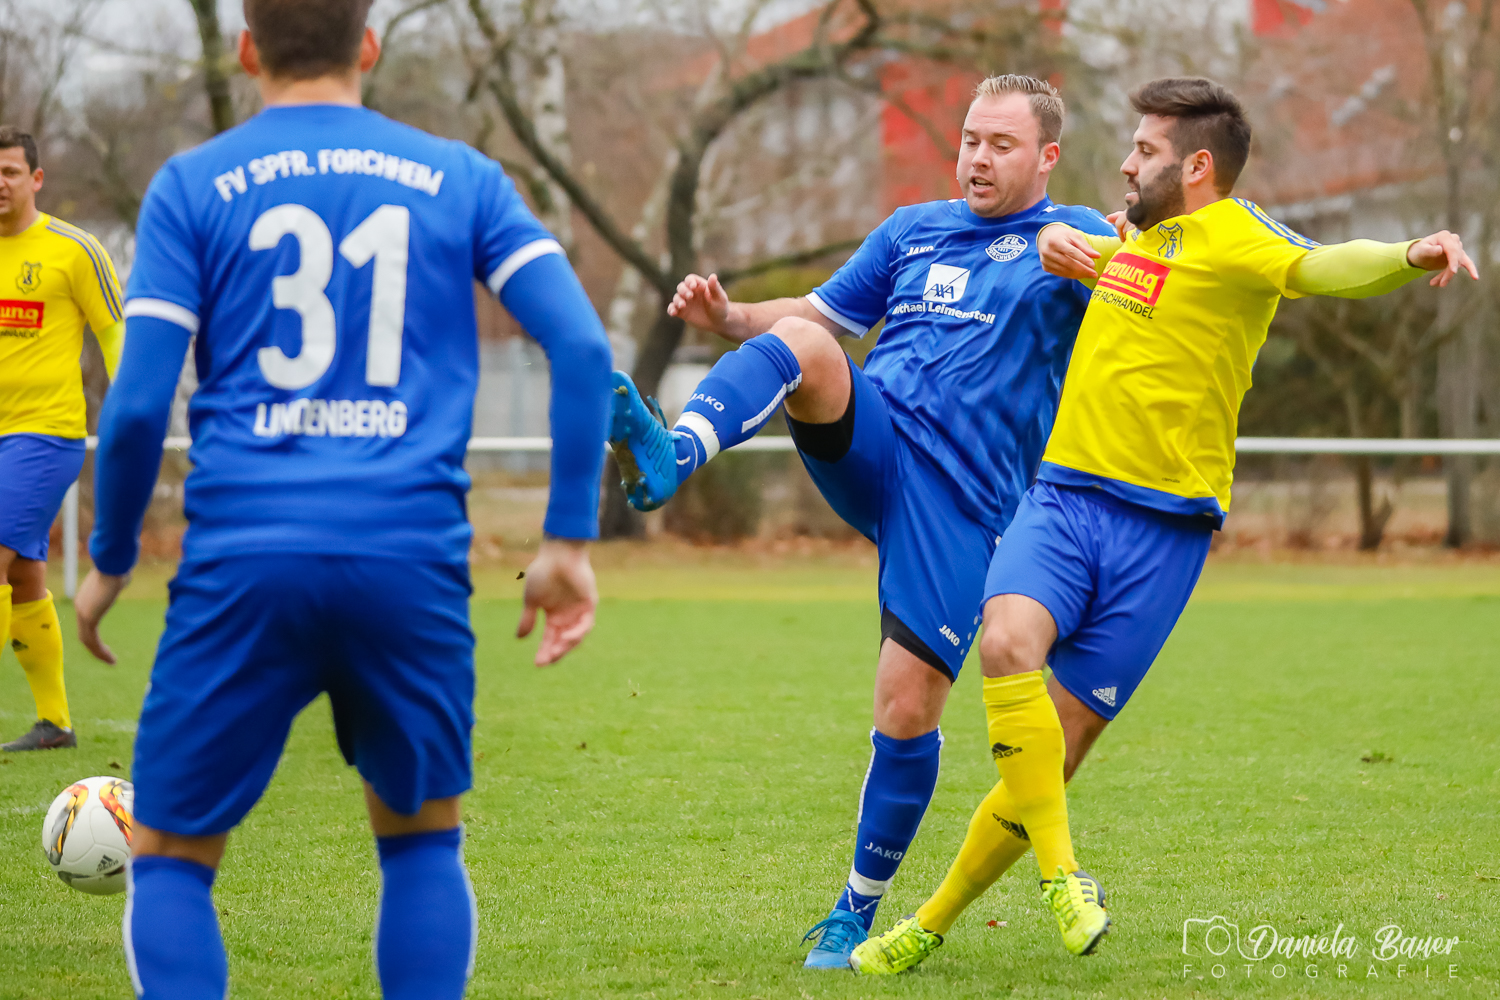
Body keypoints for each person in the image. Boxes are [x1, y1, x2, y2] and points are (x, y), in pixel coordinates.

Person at [850, 76, 1478, 975]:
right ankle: (1066, 878)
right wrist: (1083, 256)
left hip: (1167, 532)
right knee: (1004, 640)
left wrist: (1411, 252)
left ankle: (931, 920)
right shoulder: (1127, 241)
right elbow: (1140, 287)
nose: (1127, 160)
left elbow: (1322, 266)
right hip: (1065, 495)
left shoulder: (1239, 235)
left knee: (1055, 755)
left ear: (1196, 164)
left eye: (1144, 150)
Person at [73, 2, 612, 997]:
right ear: (368, 45)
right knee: (418, 846)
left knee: (171, 860)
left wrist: (109, 557)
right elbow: (581, 348)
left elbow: (141, 403)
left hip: (244, 560)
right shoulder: (462, 178)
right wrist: (569, 538)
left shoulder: (193, 185)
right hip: (406, 556)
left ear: (246, 50)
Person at [608, 74, 1118, 968]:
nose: (977, 158)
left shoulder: (1068, 240)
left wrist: (1109, 266)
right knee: (809, 345)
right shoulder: (912, 229)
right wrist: (729, 316)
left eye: (1001, 145)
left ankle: (855, 910)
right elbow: (812, 317)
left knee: (907, 704)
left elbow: (1161, 299)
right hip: (876, 445)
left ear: (1046, 157)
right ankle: (669, 459)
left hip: (964, 507)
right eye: (969, 139)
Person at [0, 126, 125, 752]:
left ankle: (54, 721)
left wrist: (133, 410)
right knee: (22, 576)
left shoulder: (74, 250)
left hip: (45, 435)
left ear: (36, 179)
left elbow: (115, 331)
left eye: (11, 172)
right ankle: (56, 722)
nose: (0, 183)